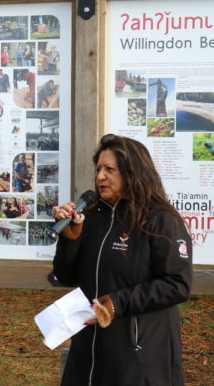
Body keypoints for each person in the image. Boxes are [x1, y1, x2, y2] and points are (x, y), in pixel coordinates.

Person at [52, 134, 192, 386]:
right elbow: (66, 276)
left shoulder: (160, 219)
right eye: (98, 169)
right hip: (89, 352)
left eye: (109, 169)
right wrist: (70, 239)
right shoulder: (92, 216)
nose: (100, 177)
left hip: (137, 354)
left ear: (133, 172)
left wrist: (116, 303)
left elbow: (177, 284)